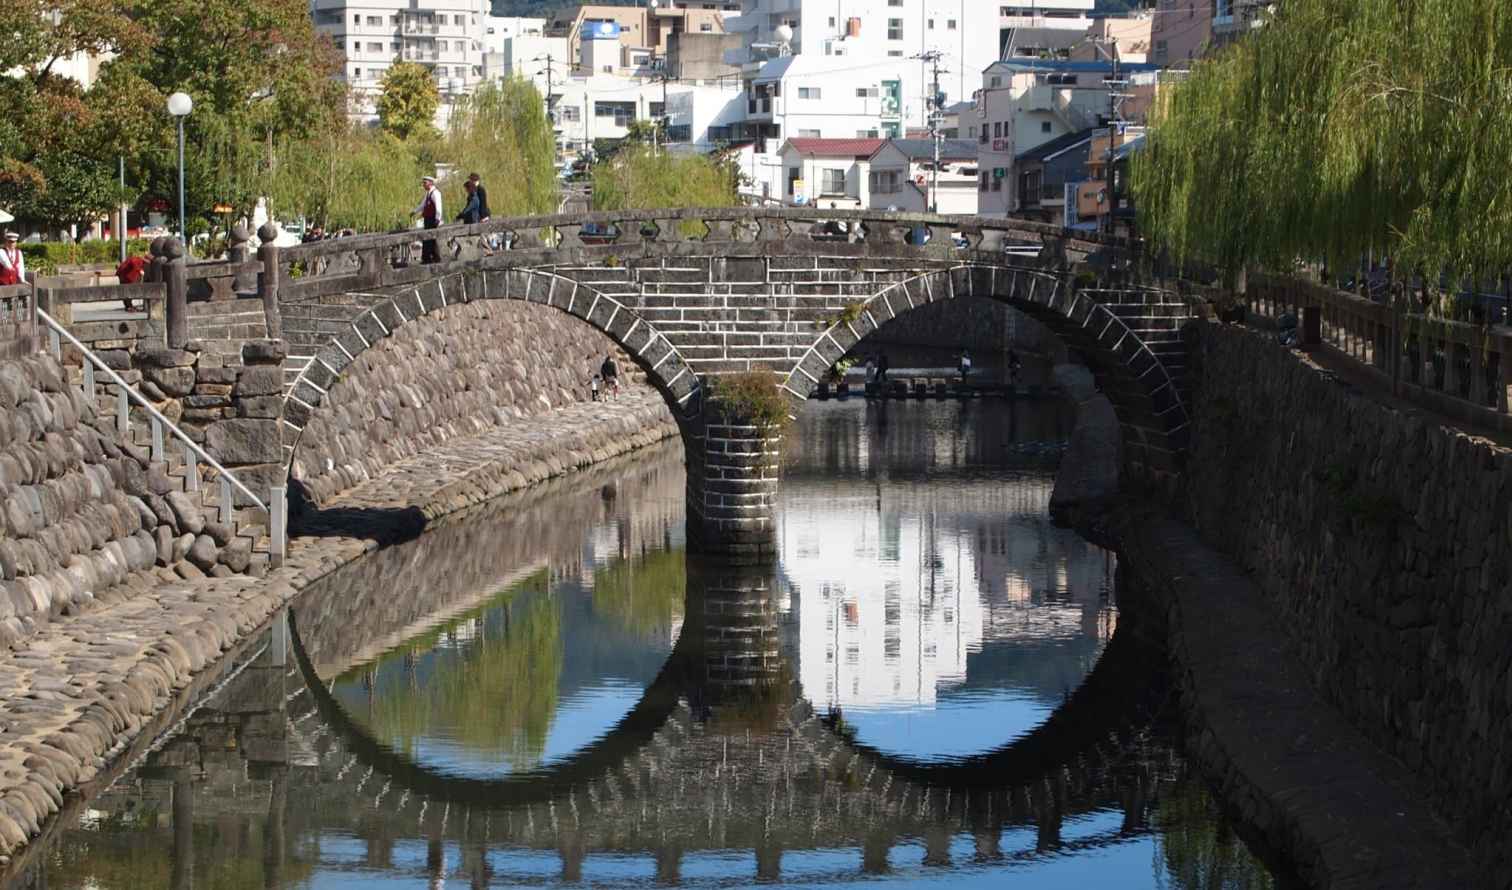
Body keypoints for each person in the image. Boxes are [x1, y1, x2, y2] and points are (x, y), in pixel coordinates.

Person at [411, 175, 442, 264]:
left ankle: (431, 258)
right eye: (423, 183)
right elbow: (423, 205)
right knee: (427, 239)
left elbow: (438, 207)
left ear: (431, 183)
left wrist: (437, 218)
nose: (423, 185)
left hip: (433, 219)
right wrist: (414, 211)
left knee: (431, 239)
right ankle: (428, 258)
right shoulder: (428, 193)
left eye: (425, 183)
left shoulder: (435, 193)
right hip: (427, 219)